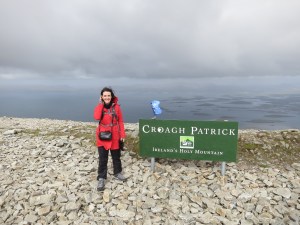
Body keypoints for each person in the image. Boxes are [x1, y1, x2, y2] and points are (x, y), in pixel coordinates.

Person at [94, 87, 126, 191]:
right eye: (105, 96)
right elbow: (97, 117)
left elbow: (120, 121)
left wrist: (123, 135)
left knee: (116, 157)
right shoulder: (100, 106)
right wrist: (100, 104)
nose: (107, 97)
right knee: (103, 158)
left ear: (111, 96)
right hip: (103, 136)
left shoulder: (117, 107)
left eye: (108, 95)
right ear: (102, 97)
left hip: (115, 135)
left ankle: (117, 172)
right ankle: (102, 178)